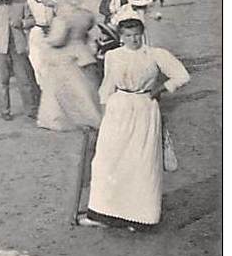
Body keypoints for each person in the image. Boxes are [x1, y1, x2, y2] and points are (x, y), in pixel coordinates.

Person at [78, 18, 190, 230]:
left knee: (140, 162)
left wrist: (161, 89)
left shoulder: (155, 54)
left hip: (144, 109)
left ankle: (139, 218)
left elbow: (182, 75)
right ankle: (102, 214)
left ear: (142, 32)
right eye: (128, 35)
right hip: (118, 108)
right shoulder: (113, 55)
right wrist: (101, 117)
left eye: (137, 34)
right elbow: (107, 86)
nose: (133, 39)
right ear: (121, 36)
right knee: (106, 159)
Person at [37, 0, 103, 131]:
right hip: (83, 51)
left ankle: (59, 120)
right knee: (85, 89)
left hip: (64, 55)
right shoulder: (86, 15)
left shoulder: (62, 18)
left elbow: (58, 40)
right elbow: (88, 29)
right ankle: (92, 116)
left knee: (59, 89)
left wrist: (46, 40)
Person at [24, 0, 55, 88]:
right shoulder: (30, 1)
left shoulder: (51, 2)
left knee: (48, 62)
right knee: (36, 60)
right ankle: (40, 86)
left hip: (50, 32)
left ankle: (48, 86)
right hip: (36, 31)